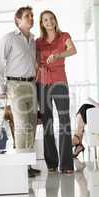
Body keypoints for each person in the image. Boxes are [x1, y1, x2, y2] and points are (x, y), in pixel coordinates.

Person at [0, 6, 40, 177]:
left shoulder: (33, 40)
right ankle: (20, 165)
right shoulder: (8, 38)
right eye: (27, 16)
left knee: (31, 124)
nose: (31, 18)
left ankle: (27, 164)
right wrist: (1, 89)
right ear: (18, 20)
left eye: (32, 15)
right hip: (15, 85)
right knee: (22, 124)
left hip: (31, 85)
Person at [36, 10, 77, 174]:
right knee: (47, 121)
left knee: (64, 120)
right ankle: (51, 163)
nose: (49, 22)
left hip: (60, 82)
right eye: (45, 20)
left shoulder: (64, 35)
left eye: (51, 19)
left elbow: (73, 50)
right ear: (42, 23)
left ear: (55, 20)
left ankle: (66, 164)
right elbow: (34, 62)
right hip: (42, 83)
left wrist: (58, 55)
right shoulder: (38, 42)